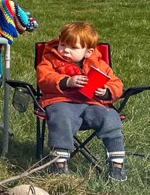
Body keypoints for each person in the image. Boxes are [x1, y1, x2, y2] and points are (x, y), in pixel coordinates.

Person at [36, 21, 126, 181]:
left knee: (110, 116)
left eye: (73, 48)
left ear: (88, 51)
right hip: (62, 101)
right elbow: (43, 79)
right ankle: (59, 164)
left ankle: (116, 165)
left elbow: (117, 84)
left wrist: (106, 92)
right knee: (60, 116)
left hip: (93, 103)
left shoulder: (98, 63)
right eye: (62, 45)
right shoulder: (50, 59)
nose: (65, 50)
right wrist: (66, 81)